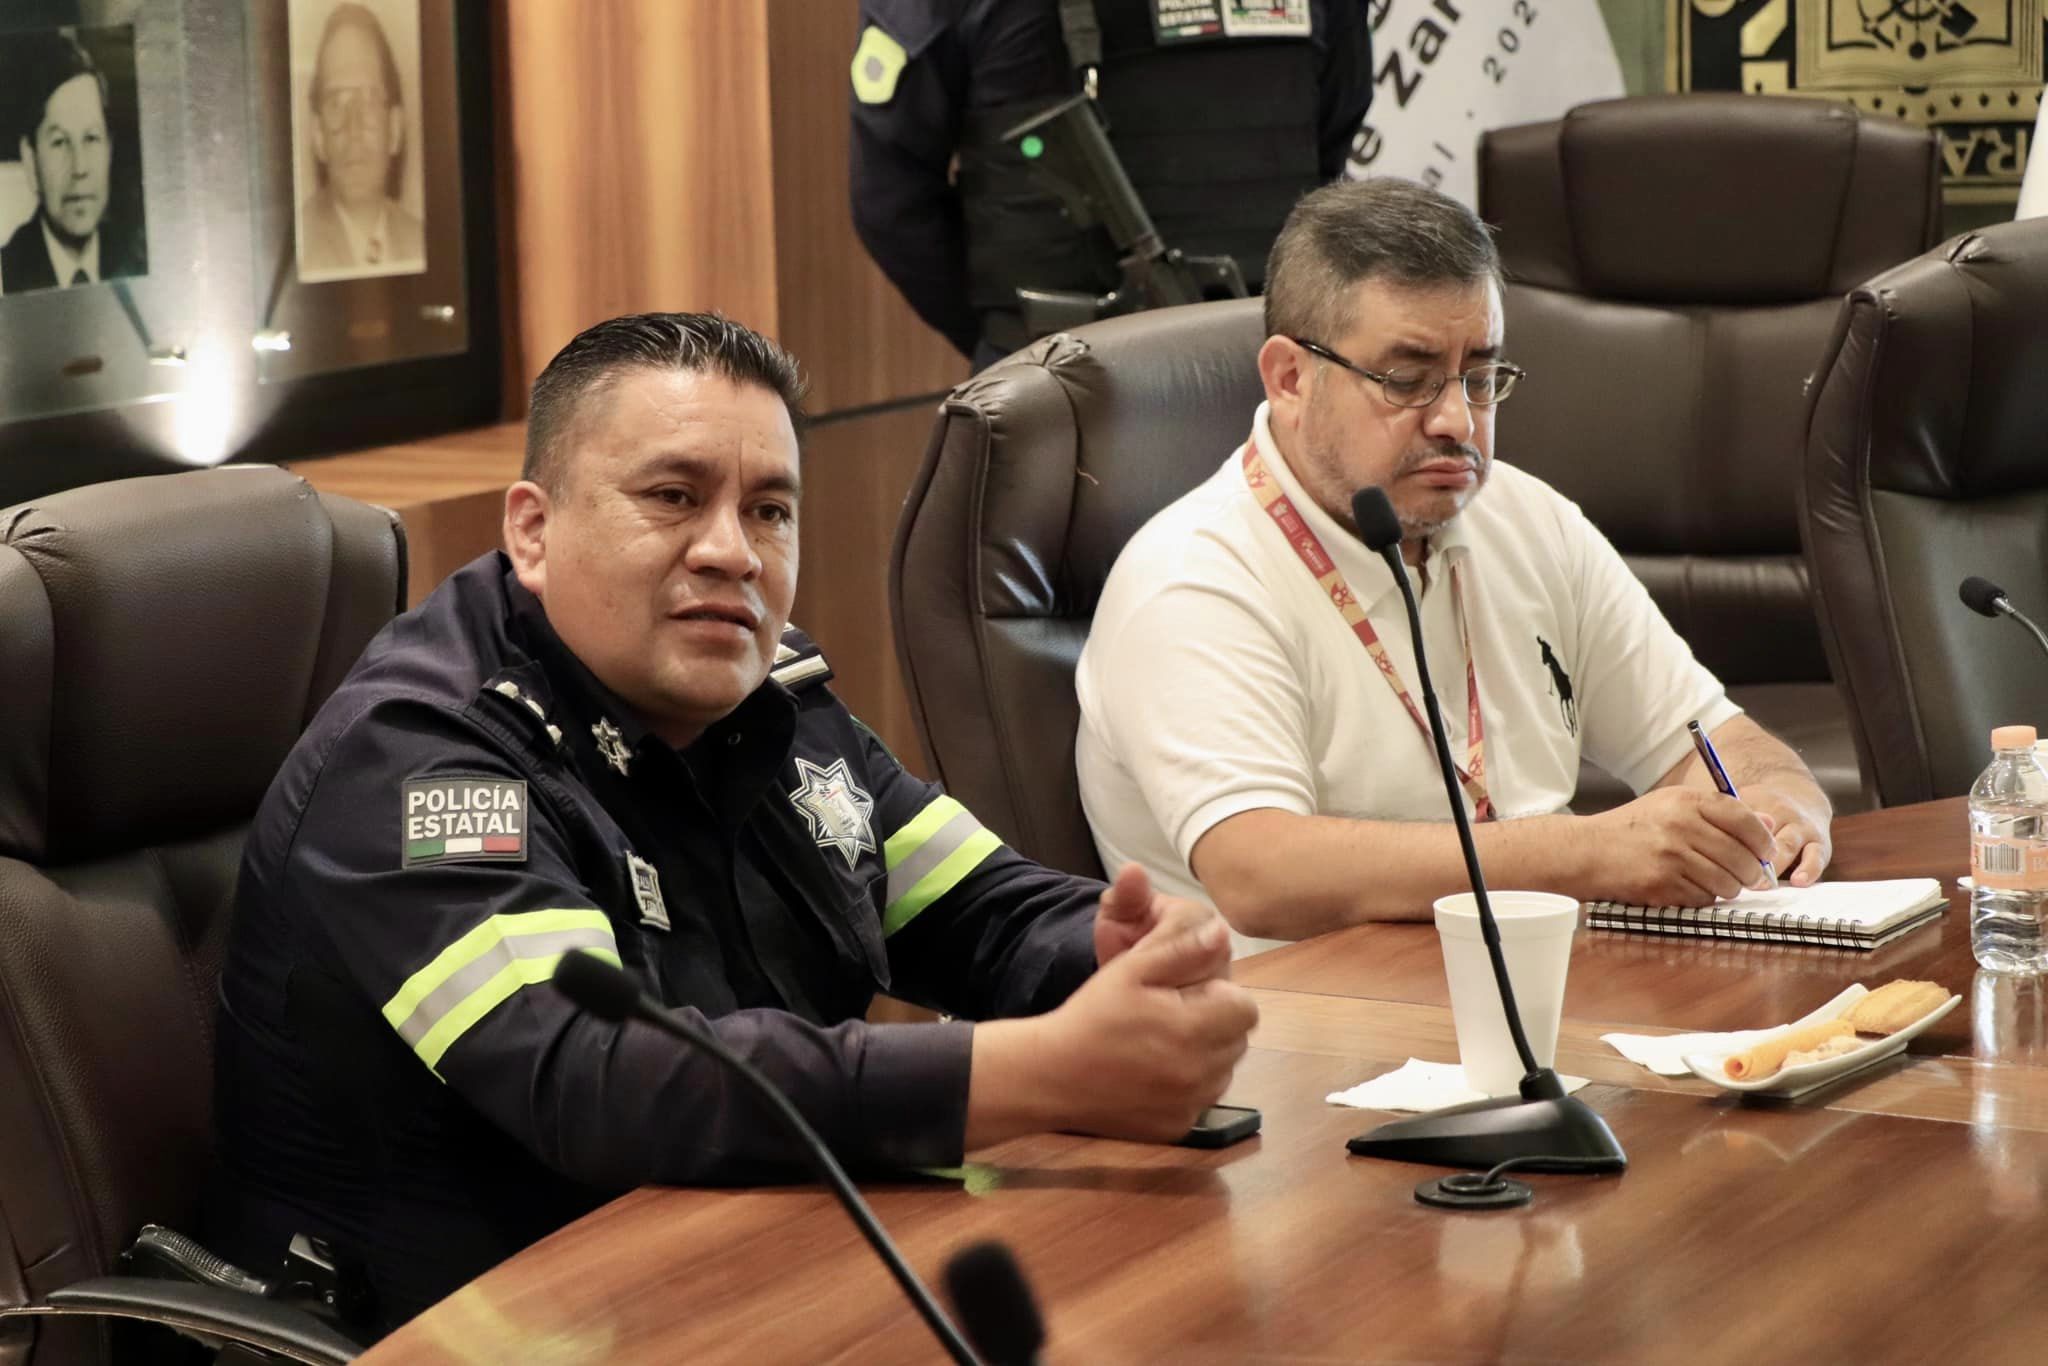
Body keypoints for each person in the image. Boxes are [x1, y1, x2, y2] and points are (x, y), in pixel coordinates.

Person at [205, 312, 1256, 1336]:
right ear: (531, 527)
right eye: (673, 496)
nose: (731, 553)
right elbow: (589, 1077)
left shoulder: (765, 693)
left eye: (769, 510)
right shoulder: (423, 761)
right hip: (475, 1320)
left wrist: (1119, 952)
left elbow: (978, 908)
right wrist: (1026, 1072)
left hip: (745, 1265)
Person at [1075, 177, 1836, 953]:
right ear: (1290, 379)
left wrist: (1779, 804)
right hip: (1302, 1040)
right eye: (1407, 380)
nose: (1455, 420)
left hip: (1541, 993)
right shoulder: (1192, 576)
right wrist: (1588, 852)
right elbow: (1261, 873)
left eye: (1481, 377)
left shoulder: (1523, 515)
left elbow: (1706, 745)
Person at [849, 0, 1373, 368]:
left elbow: (889, 201)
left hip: (1250, 370)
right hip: (1086, 380)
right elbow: (894, 201)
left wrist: (1005, 334)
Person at [1, 31, 145, 293]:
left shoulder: (137, 261)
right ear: (31, 161)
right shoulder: (7, 273)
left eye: (91, 139)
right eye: (59, 142)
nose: (79, 168)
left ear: (109, 150)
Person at [297, 1, 424, 277]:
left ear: (395, 128)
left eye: (367, 99)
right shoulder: (296, 253)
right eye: (336, 103)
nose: (353, 127)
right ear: (318, 136)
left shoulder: (425, 245)